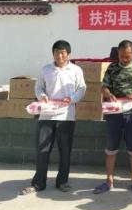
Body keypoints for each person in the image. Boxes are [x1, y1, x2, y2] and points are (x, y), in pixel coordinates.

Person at [20, 40, 86, 195]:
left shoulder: (76, 70)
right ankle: (38, 183)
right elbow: (38, 88)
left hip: (66, 116)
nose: (59, 55)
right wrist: (42, 96)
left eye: (63, 52)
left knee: (65, 151)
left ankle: (62, 182)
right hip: (46, 115)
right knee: (42, 150)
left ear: (68, 54)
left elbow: (82, 89)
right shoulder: (45, 70)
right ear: (53, 54)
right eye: (56, 52)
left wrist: (72, 99)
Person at [93, 40, 132, 194]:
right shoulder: (112, 67)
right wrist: (109, 94)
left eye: (127, 56)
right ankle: (109, 181)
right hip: (114, 112)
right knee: (111, 148)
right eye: (121, 56)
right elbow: (104, 87)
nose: (124, 59)